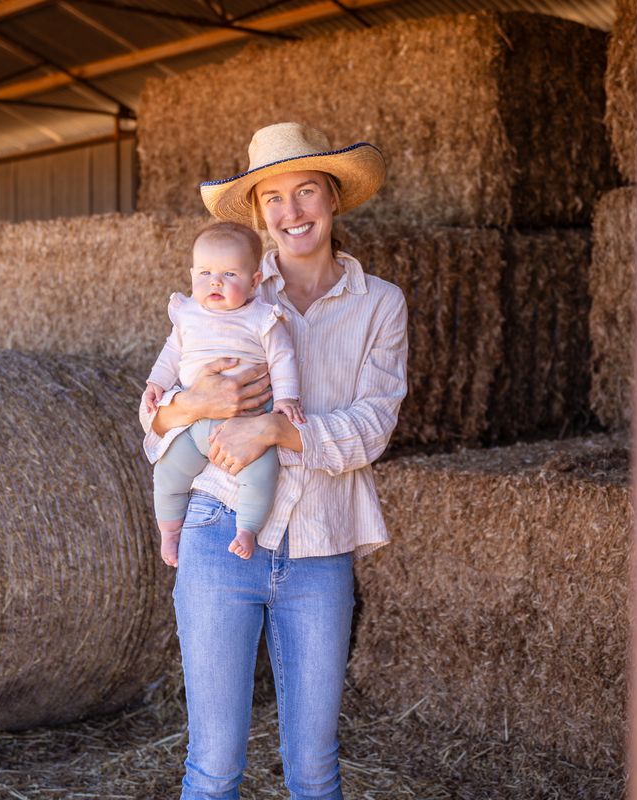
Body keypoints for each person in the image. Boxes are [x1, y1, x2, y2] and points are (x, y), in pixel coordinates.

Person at [143, 121, 408, 800]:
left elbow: (373, 428)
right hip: (216, 532)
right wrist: (191, 404)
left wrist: (273, 430)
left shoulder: (380, 305)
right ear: (259, 215)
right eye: (273, 198)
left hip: (321, 545)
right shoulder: (223, 295)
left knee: (315, 769)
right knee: (213, 766)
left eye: (307, 191)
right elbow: (155, 428)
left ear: (334, 198)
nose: (292, 211)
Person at [139, 220, 305, 567]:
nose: (215, 282)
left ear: (254, 281)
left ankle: (247, 529)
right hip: (193, 426)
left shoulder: (262, 318)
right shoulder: (187, 313)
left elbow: (282, 359)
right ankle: (169, 531)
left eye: (229, 274)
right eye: (205, 273)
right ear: (191, 275)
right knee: (167, 472)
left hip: (249, 422)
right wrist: (156, 383)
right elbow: (171, 354)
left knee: (261, 474)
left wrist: (287, 398)